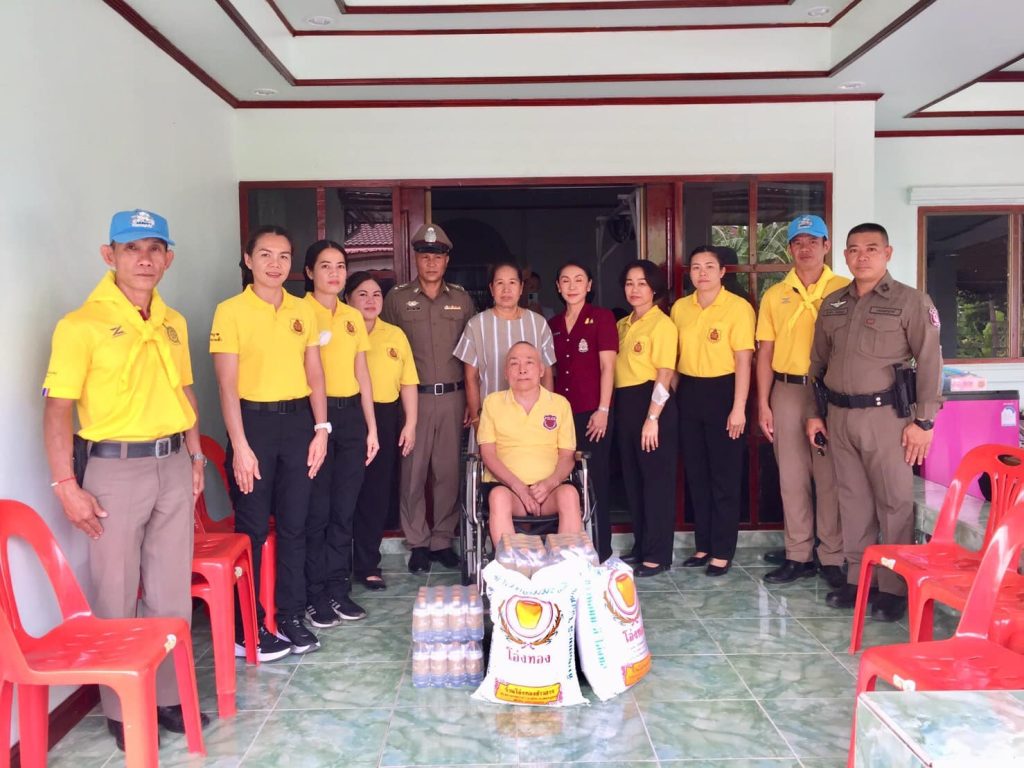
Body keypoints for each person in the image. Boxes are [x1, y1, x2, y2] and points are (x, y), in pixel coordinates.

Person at [42, 209, 209, 749]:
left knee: (169, 593)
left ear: (169, 258)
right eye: (132, 248)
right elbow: (57, 410)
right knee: (115, 592)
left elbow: (184, 390)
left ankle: (167, 697)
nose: (144, 259)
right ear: (108, 255)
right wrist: (65, 484)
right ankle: (121, 708)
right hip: (113, 469)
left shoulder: (172, 320)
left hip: (172, 463)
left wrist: (195, 456)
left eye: (155, 248)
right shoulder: (80, 325)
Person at [806, 223, 942, 622]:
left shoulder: (911, 301)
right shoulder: (833, 304)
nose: (861, 256)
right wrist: (814, 413)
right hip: (839, 415)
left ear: (887, 253)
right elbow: (817, 363)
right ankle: (858, 579)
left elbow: (930, 361)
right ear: (844, 256)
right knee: (852, 501)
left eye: (870, 248)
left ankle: (894, 587)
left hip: (888, 419)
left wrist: (924, 421)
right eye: (853, 249)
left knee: (894, 503)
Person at [210, 225, 328, 658]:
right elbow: (226, 386)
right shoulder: (230, 311)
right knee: (254, 529)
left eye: (283, 256)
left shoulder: (303, 311)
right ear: (248, 260)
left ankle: (290, 616)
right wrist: (240, 446)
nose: (274, 264)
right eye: (265, 255)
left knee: (296, 525)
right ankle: (249, 627)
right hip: (253, 426)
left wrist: (321, 429)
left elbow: (315, 373)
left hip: (298, 424)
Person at [756, 215, 849, 589]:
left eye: (813, 241)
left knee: (829, 477)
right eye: (798, 242)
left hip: (830, 392)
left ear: (827, 245)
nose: (805, 248)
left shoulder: (845, 289)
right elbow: (765, 351)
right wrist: (763, 403)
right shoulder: (775, 294)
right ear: (789, 249)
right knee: (791, 476)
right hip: (788, 390)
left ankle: (832, 556)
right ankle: (798, 554)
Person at [382, 223, 474, 574]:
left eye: (437, 256)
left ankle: (442, 540)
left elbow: (471, 354)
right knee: (413, 472)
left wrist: (472, 401)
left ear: (446, 260)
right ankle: (418, 542)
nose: (431, 263)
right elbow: (385, 346)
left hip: (453, 396)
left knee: (448, 472)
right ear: (416, 259)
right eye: (424, 256)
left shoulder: (461, 299)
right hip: (413, 399)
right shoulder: (397, 299)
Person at [301, 241, 379, 627]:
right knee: (317, 510)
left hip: (351, 418)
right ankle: (314, 594)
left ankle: (338, 589)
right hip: (314, 417)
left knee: (344, 509)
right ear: (309, 272)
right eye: (325, 266)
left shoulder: (352, 316)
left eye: (340, 266)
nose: (334, 273)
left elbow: (362, 372)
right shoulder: (298, 312)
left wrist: (371, 427)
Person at [671, 246, 755, 577]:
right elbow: (674, 359)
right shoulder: (680, 308)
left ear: (722, 272)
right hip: (689, 393)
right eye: (695, 267)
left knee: (724, 477)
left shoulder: (738, 308)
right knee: (697, 474)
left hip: (724, 393)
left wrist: (739, 408)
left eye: (709, 266)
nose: (702, 272)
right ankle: (703, 545)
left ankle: (722, 550)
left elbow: (744, 361)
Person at [346, 271, 419, 590]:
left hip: (385, 415)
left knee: (375, 493)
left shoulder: (395, 335)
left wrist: (410, 423)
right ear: (347, 298)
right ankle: (338, 565)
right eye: (362, 294)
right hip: (347, 414)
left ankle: (367, 564)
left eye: (376, 294)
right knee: (344, 493)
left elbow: (408, 382)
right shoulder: (340, 330)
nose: (371, 300)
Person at [477, 342, 583, 545]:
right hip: (508, 489)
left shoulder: (560, 404)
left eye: (529, 363)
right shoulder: (492, 403)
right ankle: (513, 563)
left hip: (550, 491)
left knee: (569, 494)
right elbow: (488, 454)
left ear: (541, 370)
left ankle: (565, 561)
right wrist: (519, 488)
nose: (522, 370)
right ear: (506, 372)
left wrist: (549, 484)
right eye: (514, 364)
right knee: (498, 497)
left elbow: (567, 456)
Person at [549, 261, 618, 561]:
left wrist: (603, 409)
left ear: (589, 285)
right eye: (565, 280)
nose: (572, 286)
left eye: (579, 280)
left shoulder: (601, 318)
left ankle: (600, 549)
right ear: (558, 287)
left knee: (595, 479)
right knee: (565, 480)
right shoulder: (552, 324)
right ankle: (568, 548)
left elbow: (608, 367)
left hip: (592, 413)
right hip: (561, 416)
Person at [614, 260, 679, 578]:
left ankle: (658, 554)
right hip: (625, 405)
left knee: (656, 483)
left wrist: (653, 417)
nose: (635, 289)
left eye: (641, 283)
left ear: (654, 288)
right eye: (629, 283)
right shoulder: (622, 325)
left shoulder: (662, 325)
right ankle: (642, 546)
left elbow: (665, 374)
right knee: (634, 481)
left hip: (653, 405)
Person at [456, 262, 557, 433]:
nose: (506, 289)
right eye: (500, 283)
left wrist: (546, 415)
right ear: (491, 288)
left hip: (532, 421)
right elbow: (470, 378)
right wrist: (477, 420)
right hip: (490, 421)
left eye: (512, 282)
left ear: (521, 287)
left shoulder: (538, 324)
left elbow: (547, 373)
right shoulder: (476, 325)